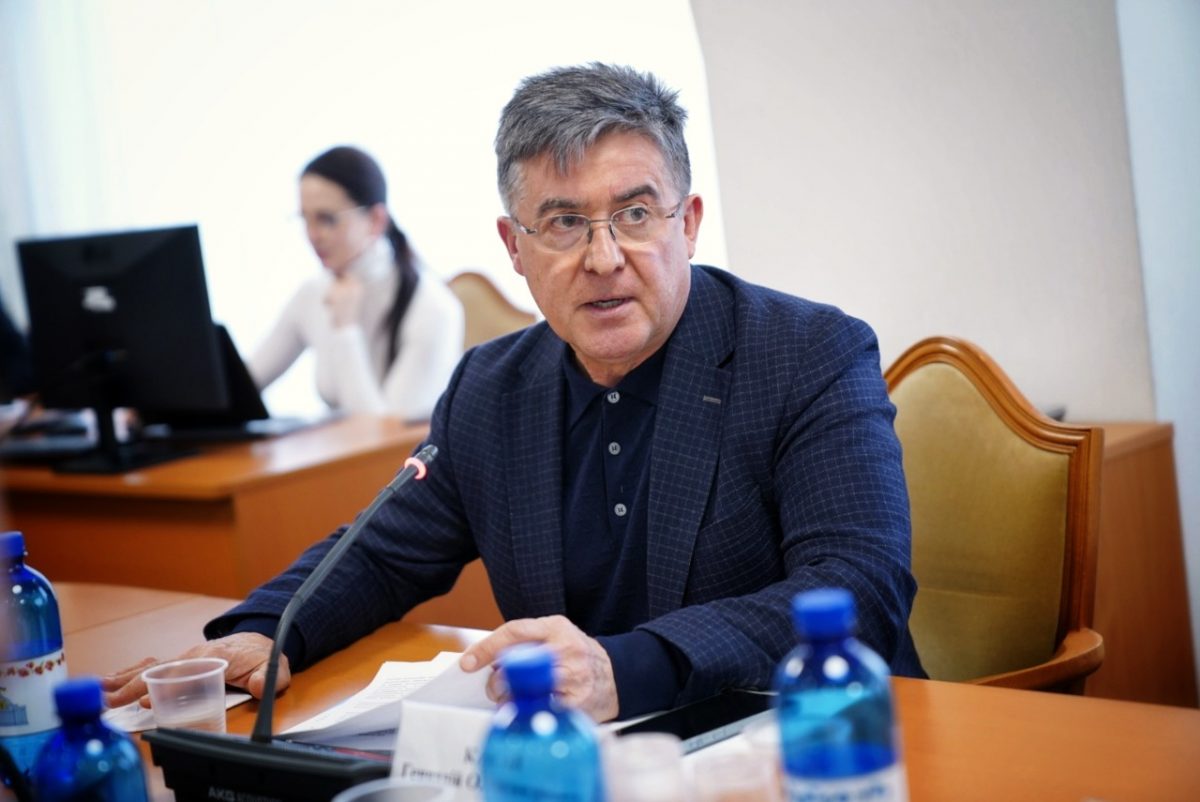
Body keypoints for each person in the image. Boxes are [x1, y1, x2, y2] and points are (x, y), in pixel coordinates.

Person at [102, 63, 923, 723]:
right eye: (564, 223)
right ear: (514, 246)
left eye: (636, 214)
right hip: (575, 756)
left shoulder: (807, 353)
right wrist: (267, 631)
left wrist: (625, 668)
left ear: (689, 222)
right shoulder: (492, 388)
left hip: (817, 737)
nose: (604, 257)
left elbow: (859, 584)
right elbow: (383, 555)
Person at [249, 145, 464, 420]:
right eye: (305, 218)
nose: (312, 235)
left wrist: (346, 329)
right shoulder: (314, 291)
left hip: (395, 449)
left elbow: (384, 436)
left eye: (326, 219)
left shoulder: (434, 308)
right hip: (338, 446)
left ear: (375, 220)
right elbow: (242, 386)